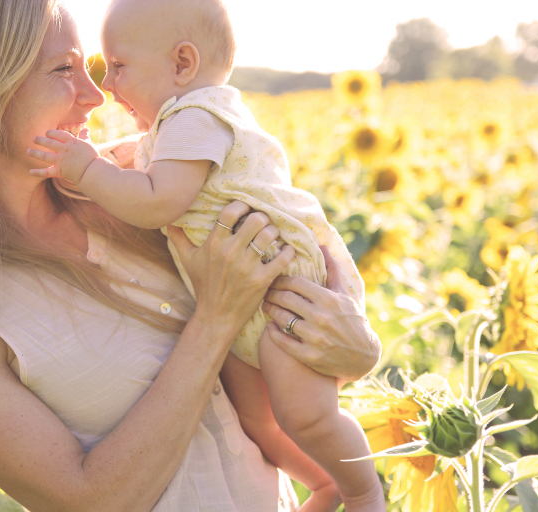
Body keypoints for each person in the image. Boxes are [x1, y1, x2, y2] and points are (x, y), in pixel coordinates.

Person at [0, 0, 383, 511]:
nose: (96, 95)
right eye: (64, 69)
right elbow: (88, 501)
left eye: (93, 68)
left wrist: (351, 349)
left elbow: (271, 353)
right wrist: (214, 319)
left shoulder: (135, 194)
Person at [27, 1, 383, 509]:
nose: (108, 87)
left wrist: (86, 171)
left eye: (118, 66)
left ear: (182, 64)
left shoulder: (196, 115)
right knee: (257, 420)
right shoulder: (179, 124)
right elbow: (145, 155)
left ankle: (364, 491)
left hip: (278, 289)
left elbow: (157, 201)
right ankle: (325, 484)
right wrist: (109, 160)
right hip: (243, 294)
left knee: (304, 413)